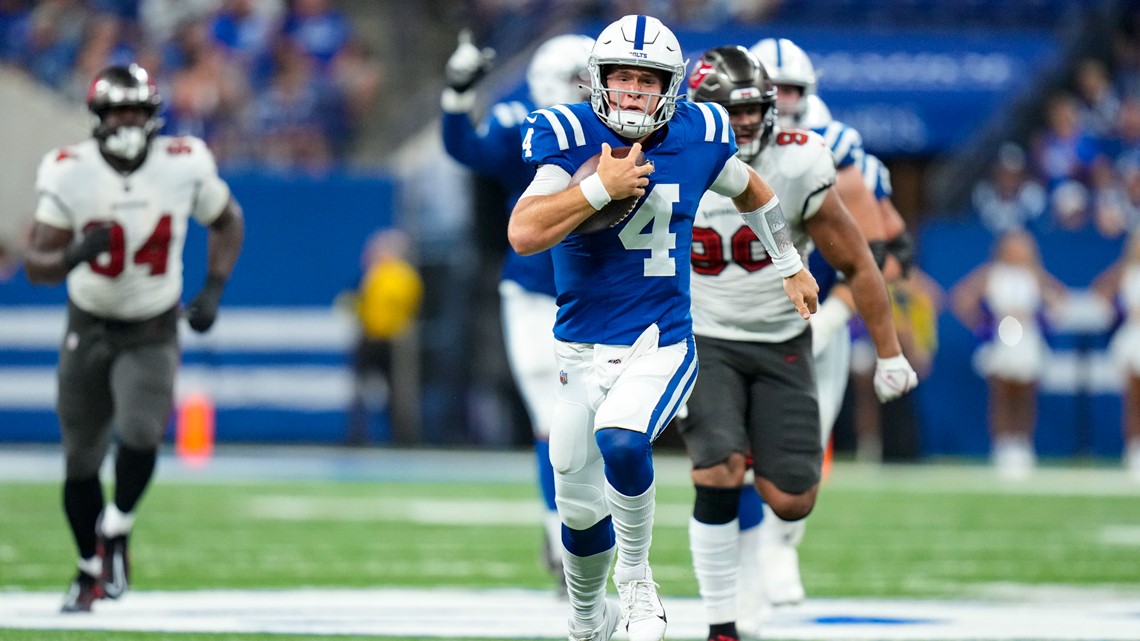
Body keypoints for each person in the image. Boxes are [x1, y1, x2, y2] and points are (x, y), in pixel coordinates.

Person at [507, 15, 818, 641]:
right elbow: (524, 232)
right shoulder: (565, 133)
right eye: (620, 78)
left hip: (661, 339)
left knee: (623, 441)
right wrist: (598, 187)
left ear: (670, 89)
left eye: (646, 81)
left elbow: (751, 189)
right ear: (596, 82)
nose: (631, 92)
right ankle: (590, 612)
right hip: (579, 343)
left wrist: (788, 261)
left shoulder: (701, 131)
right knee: (577, 502)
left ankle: (639, 581)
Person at [682, 45, 918, 641]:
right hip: (703, 334)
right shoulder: (667, 155)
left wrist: (889, 351)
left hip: (784, 338)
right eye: (730, 111)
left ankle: (771, 538)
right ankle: (721, 623)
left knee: (792, 499)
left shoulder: (806, 156)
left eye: (755, 108)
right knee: (718, 469)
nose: (746, 122)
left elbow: (863, 260)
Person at [22, 63, 244, 613]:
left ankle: (117, 525)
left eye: (137, 112)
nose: (127, 121)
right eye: (118, 111)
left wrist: (213, 289)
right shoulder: (70, 171)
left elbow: (227, 220)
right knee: (80, 459)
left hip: (151, 325)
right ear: (97, 117)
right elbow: (37, 263)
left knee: (143, 432)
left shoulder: (182, 163)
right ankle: (86, 566)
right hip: (89, 324)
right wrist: (75, 252)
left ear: (153, 117)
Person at [441, 29, 594, 592]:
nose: (587, 93)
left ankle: (586, 535)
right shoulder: (525, 123)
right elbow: (467, 150)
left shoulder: (622, 128)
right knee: (553, 422)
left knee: (596, 427)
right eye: (576, 81)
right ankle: (560, 537)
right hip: (534, 291)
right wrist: (458, 93)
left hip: (603, 293)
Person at [950, 230, 1066, 479]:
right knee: (1001, 395)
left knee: (1026, 396)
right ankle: (1002, 445)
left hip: (1027, 340)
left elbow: (1059, 299)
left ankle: (1023, 444)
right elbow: (961, 297)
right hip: (1001, 340)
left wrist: (1042, 317)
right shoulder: (991, 274)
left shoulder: (1034, 275)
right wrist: (982, 322)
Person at [346, 228, 424, 445]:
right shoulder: (377, 274)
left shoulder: (399, 275)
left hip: (393, 340)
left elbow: (403, 307)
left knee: (399, 393)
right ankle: (359, 435)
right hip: (372, 338)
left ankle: (404, 437)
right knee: (361, 391)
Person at [1090, 232, 1140, 478]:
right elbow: (1100, 289)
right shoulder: (1125, 272)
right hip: (1133, 338)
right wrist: (1117, 314)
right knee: (1133, 397)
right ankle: (1133, 448)